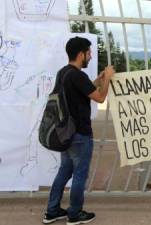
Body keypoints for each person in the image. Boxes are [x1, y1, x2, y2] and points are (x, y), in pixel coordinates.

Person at [42, 37, 115, 225]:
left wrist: (97, 80)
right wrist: (107, 78)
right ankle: (74, 214)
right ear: (81, 54)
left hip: (66, 134)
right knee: (79, 175)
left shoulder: (64, 73)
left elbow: (83, 90)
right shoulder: (77, 75)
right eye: (89, 52)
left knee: (64, 172)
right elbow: (99, 97)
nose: (90, 56)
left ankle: (52, 211)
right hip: (80, 135)